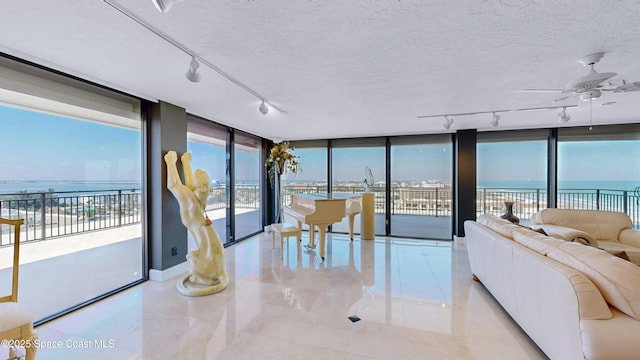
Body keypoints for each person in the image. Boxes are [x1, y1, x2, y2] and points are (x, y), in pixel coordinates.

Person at [164, 150, 228, 296]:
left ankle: (204, 276)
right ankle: (210, 273)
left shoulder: (190, 200)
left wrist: (171, 162)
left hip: (209, 256)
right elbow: (191, 186)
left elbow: (173, 185)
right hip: (212, 248)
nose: (193, 184)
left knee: (200, 257)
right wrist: (186, 163)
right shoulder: (201, 199)